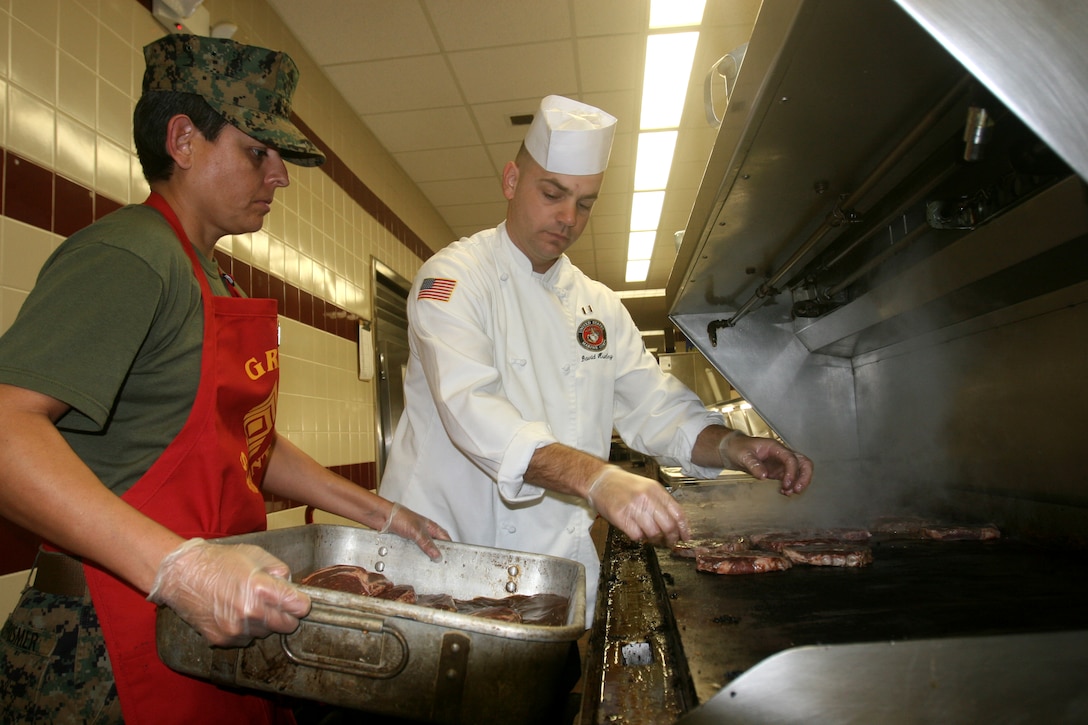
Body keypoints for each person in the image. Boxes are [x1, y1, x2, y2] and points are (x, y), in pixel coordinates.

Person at [0, 34, 448, 723]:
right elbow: (6, 430)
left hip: (205, 627)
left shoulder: (211, 275)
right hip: (105, 644)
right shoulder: (131, 254)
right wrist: (178, 567)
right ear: (182, 140)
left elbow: (244, 440)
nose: (280, 177)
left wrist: (375, 510)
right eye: (258, 152)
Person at [379, 95, 814, 628]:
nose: (568, 217)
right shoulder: (451, 279)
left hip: (543, 582)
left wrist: (731, 445)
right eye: (553, 193)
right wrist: (599, 479)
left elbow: (655, 406)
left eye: (585, 203)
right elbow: (472, 411)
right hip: (442, 571)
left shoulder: (599, 305)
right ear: (512, 181)